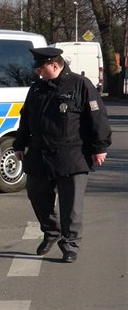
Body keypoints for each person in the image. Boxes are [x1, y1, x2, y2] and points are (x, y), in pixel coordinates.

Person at [13, 47, 111, 263]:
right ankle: (51, 231)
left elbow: (97, 117)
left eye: (41, 67)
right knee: (36, 195)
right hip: (40, 153)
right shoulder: (37, 88)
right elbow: (25, 117)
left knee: (71, 206)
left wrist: (100, 147)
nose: (38, 72)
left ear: (54, 65)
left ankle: (70, 244)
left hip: (71, 154)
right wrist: (19, 144)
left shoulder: (80, 84)